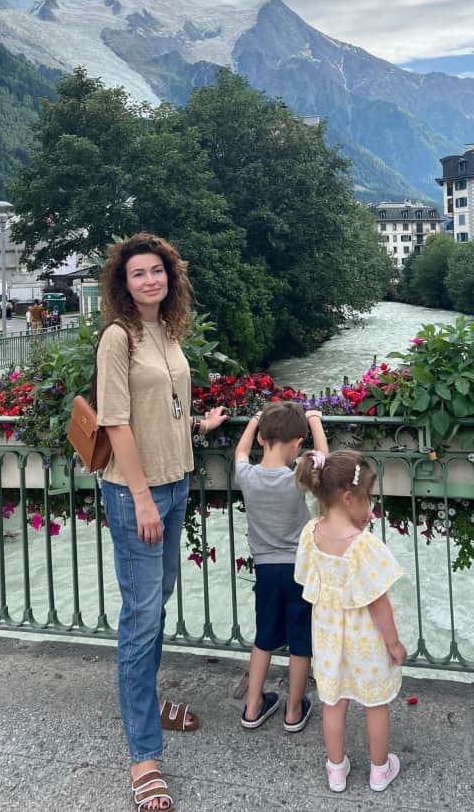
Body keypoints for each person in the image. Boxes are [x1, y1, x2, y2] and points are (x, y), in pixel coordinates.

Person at [96, 232, 227, 812]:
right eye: (138, 273)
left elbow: (162, 406)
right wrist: (142, 498)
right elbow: (116, 422)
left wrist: (199, 425)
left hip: (175, 483)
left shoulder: (167, 332)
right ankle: (144, 757)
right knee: (141, 617)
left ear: (169, 277)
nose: (150, 280)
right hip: (138, 495)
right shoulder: (118, 338)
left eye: (157, 271)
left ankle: (146, 707)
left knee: (156, 605)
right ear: (123, 284)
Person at [294, 450, 406, 794]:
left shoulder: (311, 533)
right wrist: (393, 643)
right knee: (375, 705)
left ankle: (336, 769)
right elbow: (378, 602)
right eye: (367, 497)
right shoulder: (364, 546)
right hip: (365, 640)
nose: (370, 504)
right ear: (348, 498)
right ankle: (379, 770)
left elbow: (306, 580)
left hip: (328, 638)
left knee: (333, 703)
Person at [234, 401, 328, 733]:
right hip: (299, 571)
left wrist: (254, 420)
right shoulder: (296, 478)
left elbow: (240, 452)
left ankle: (253, 706)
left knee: (264, 638)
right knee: (300, 642)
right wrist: (315, 421)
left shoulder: (247, 476)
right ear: (298, 444)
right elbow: (324, 461)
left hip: (266, 570)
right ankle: (293, 711)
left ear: (262, 439)